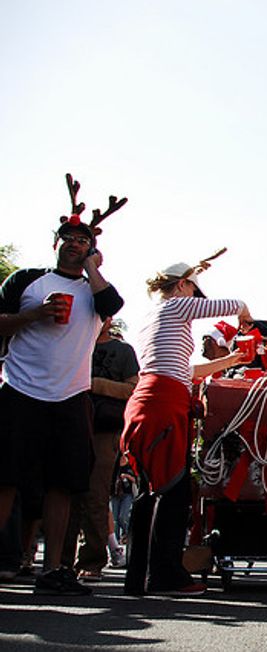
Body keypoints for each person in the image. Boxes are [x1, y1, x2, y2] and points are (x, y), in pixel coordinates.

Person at [0, 174, 126, 596]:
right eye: (68, 238)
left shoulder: (96, 292)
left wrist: (93, 266)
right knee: (6, 479)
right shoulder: (26, 281)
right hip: (19, 391)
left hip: (70, 399)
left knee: (63, 485)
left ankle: (54, 569)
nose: (75, 243)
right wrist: (33, 316)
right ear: (55, 243)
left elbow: (113, 306)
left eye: (82, 240)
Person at [120, 256, 249, 596]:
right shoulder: (175, 307)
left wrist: (230, 361)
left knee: (156, 492)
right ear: (181, 286)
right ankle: (162, 575)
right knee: (169, 494)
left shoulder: (155, 316)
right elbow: (233, 304)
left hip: (156, 400)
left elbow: (187, 372)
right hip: (162, 404)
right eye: (193, 287)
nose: (196, 295)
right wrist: (246, 315)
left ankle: (144, 576)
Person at [63, 316, 139, 581]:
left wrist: (92, 383)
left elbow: (133, 388)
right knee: (64, 494)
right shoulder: (69, 343)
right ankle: (60, 562)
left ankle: (93, 560)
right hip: (69, 424)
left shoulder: (122, 351)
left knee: (95, 495)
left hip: (104, 428)